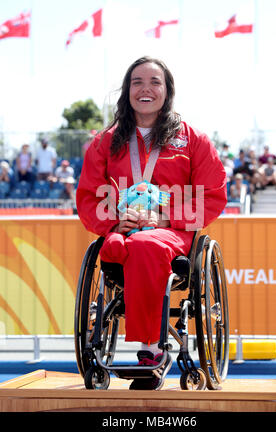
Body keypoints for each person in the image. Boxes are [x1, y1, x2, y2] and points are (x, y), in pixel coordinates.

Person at [76, 56, 227, 390]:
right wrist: (115, 222)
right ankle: (135, 346)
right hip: (122, 232)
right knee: (116, 247)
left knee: (145, 245)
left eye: (154, 82)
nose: (145, 89)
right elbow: (88, 195)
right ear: (127, 91)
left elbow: (213, 195)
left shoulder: (193, 140)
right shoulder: (105, 142)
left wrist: (166, 216)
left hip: (172, 234)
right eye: (137, 82)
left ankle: (151, 350)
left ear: (167, 91)